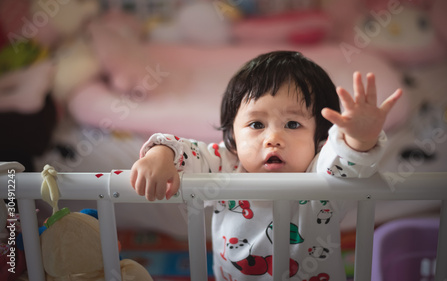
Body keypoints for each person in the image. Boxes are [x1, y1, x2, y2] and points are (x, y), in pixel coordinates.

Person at [130, 51, 402, 280]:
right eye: (256, 124)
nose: (273, 138)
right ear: (232, 135)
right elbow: (189, 152)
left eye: (293, 124)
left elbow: (346, 160)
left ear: (319, 137)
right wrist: (161, 155)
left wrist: (358, 138)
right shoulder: (226, 164)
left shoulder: (321, 174)